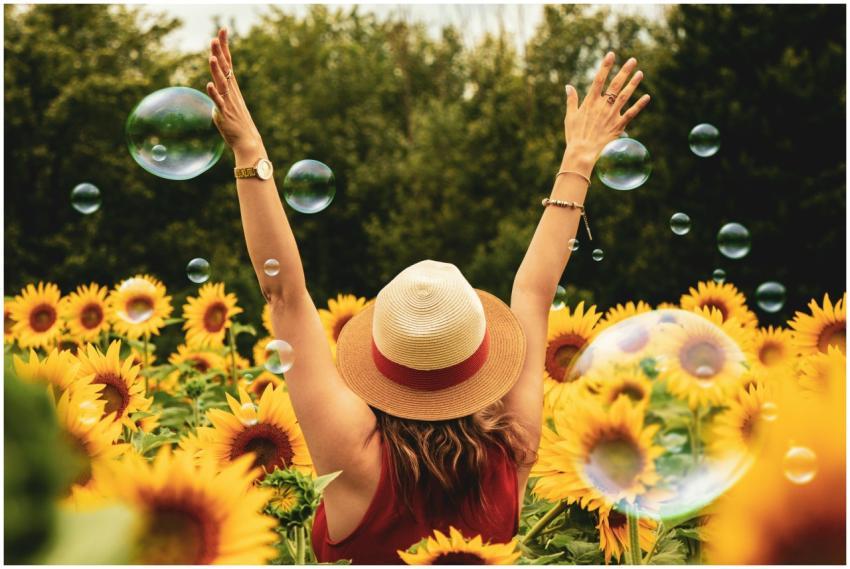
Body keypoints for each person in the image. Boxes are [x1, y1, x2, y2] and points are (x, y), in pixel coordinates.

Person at [206, 27, 649, 564]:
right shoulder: (512, 450)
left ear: (382, 358)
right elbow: (533, 293)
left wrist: (250, 151)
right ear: (479, 357)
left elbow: (285, 296)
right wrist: (578, 159)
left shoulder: (354, 457)